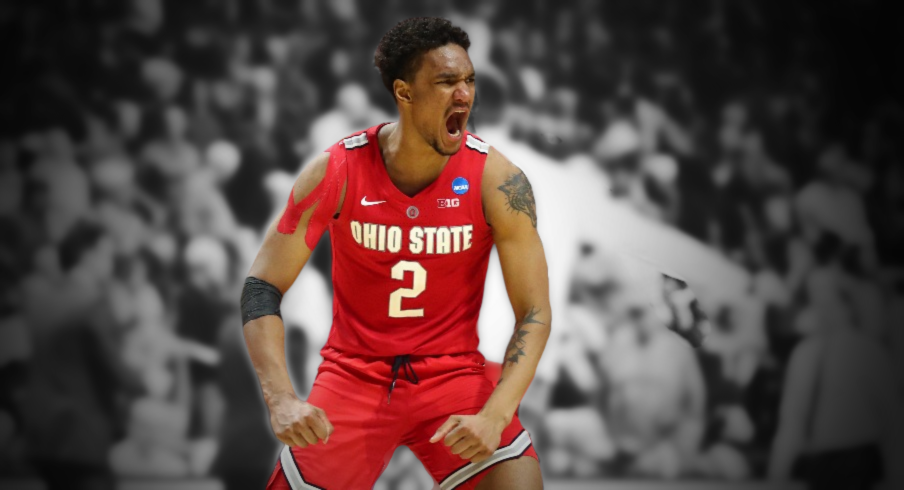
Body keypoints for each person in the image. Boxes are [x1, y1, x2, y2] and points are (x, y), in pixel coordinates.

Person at [242, 17, 549, 490]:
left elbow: (534, 311)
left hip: (452, 375)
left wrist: (495, 414)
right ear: (404, 93)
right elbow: (262, 287)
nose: (464, 94)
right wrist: (280, 397)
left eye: (469, 80)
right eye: (446, 82)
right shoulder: (337, 169)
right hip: (353, 377)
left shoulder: (498, 180)